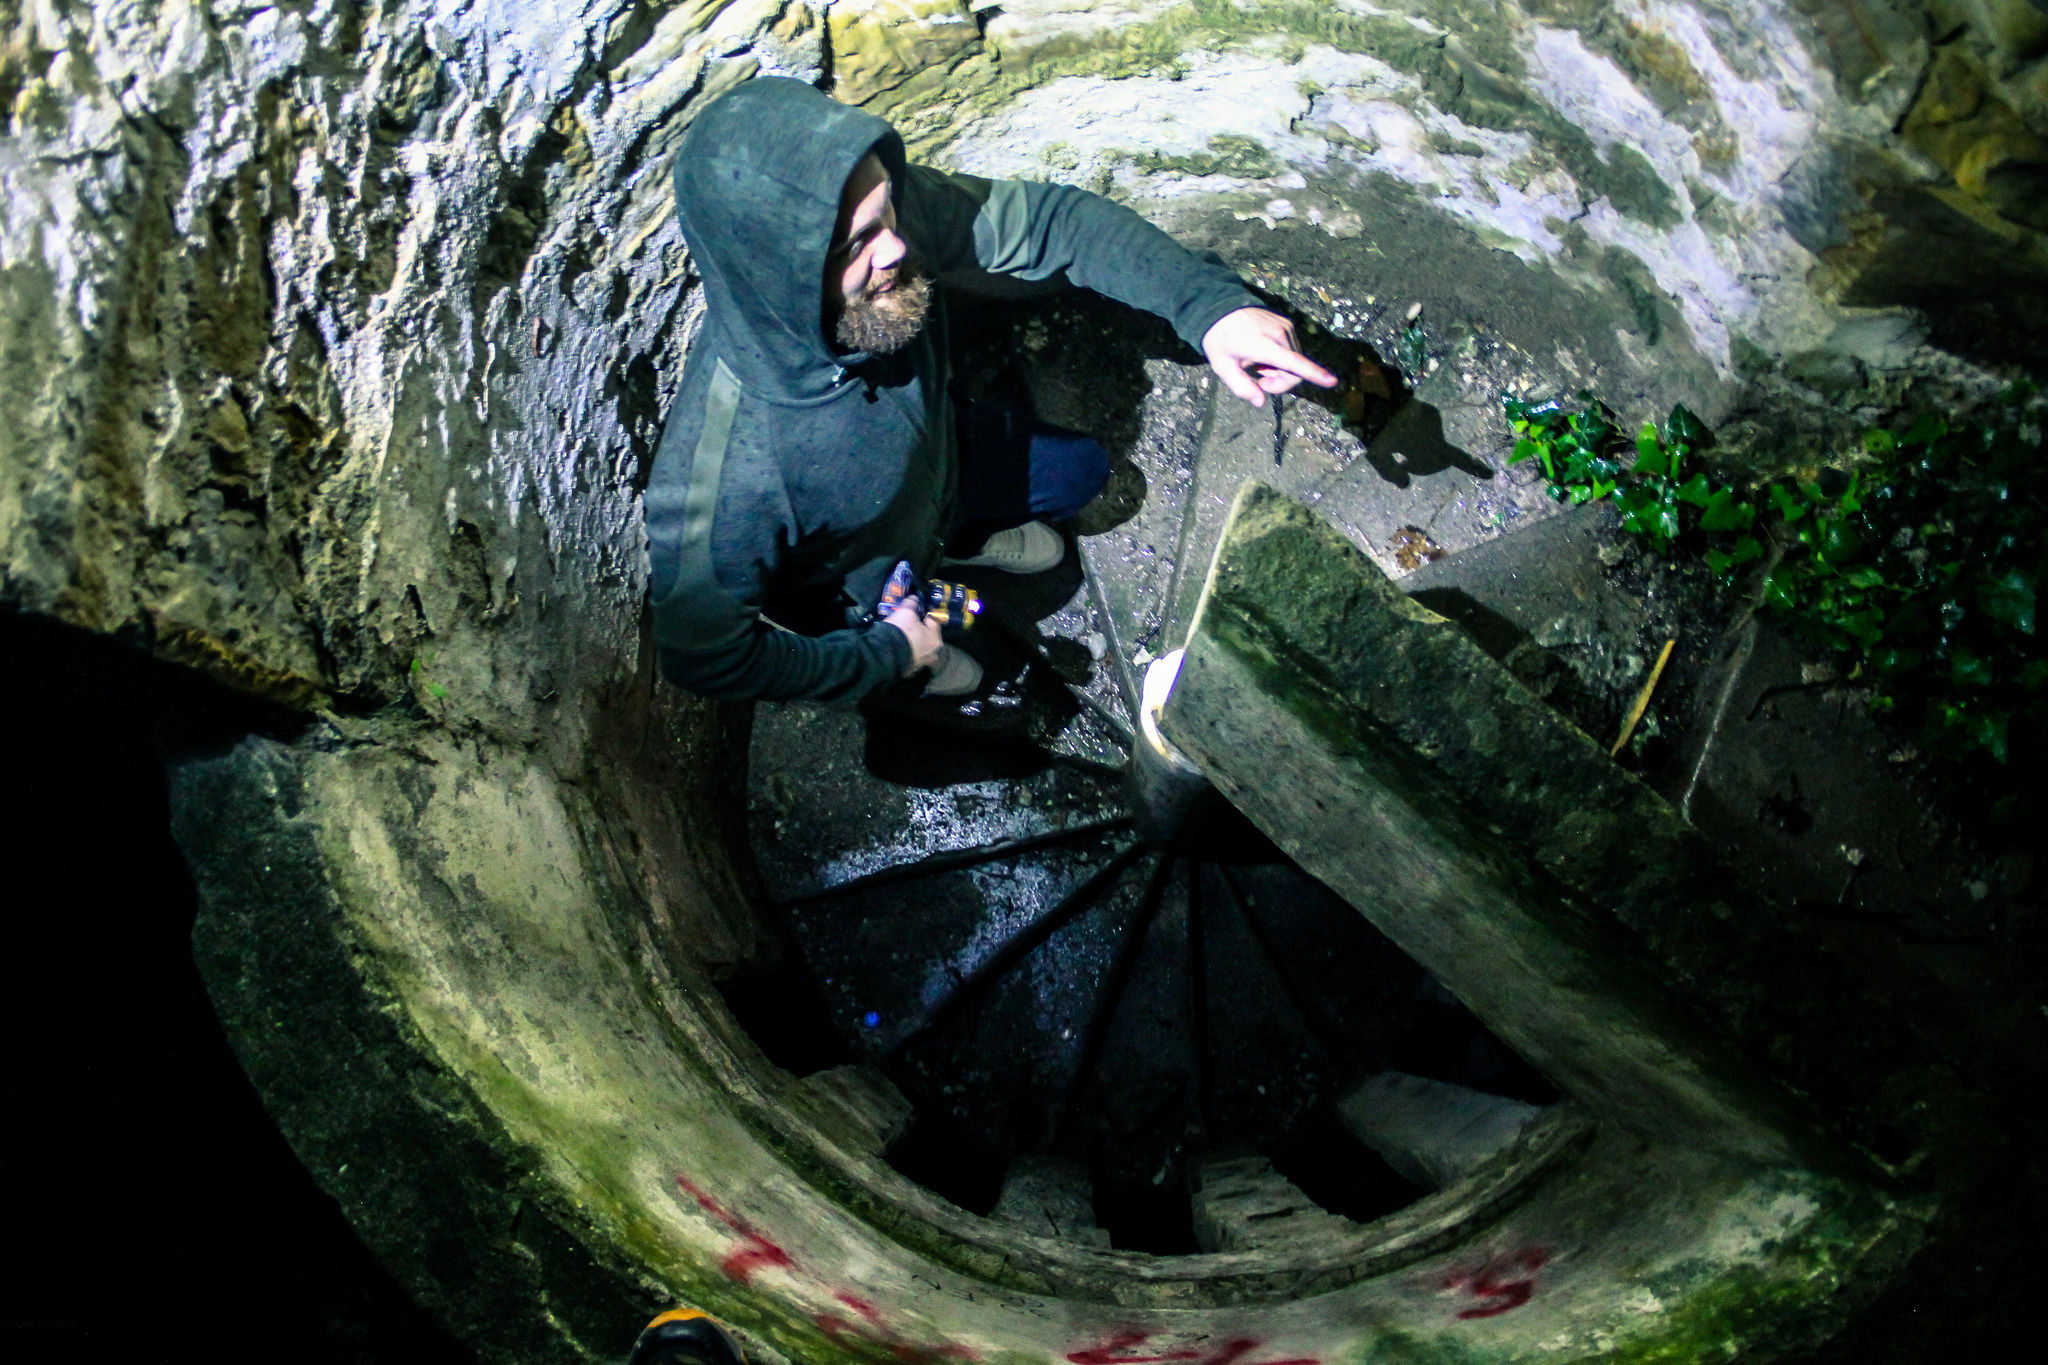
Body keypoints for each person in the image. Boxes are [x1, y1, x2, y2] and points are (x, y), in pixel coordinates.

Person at [646, 77, 1334, 704]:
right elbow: (707, 659)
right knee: (948, 668)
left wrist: (1209, 308)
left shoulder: (894, 227)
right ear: (778, 275)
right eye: (854, 246)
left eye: (888, 214)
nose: (895, 249)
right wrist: (885, 650)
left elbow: (1053, 223)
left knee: (1083, 473)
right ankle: (918, 663)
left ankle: (961, 540)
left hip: (943, 458)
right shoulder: (726, 478)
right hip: (864, 587)